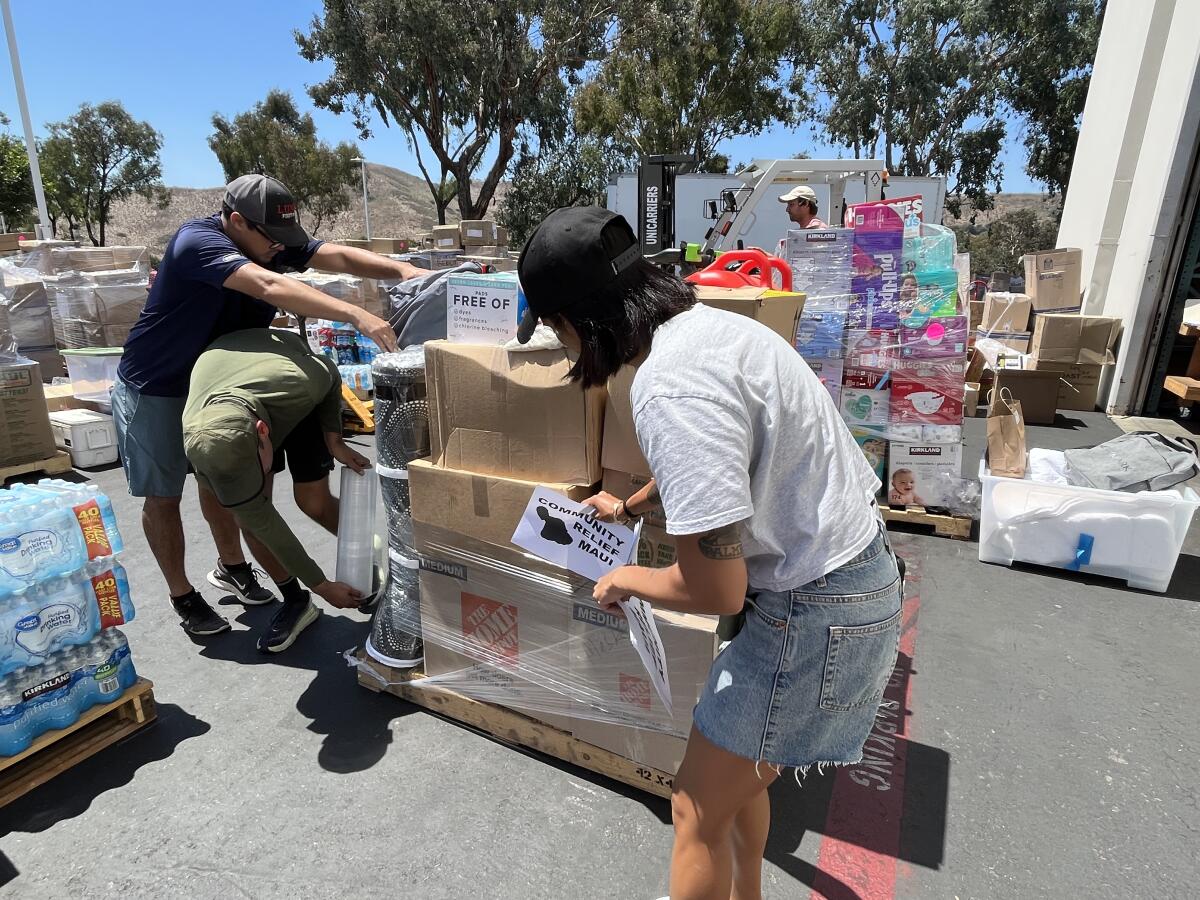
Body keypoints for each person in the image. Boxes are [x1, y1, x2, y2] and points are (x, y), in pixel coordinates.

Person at [515, 206, 901, 900]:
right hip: (841, 578)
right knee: (737, 773)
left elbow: (715, 590)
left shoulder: (670, 388)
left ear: (576, 324)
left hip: (811, 608)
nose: (561, 346)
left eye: (553, 329)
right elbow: (722, 457)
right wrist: (630, 505)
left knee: (694, 804)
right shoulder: (713, 330)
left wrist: (629, 577)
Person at [112, 174, 426, 637]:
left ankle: (233, 566)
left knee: (222, 482)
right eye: (274, 240)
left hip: (223, 382)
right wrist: (356, 314)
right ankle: (183, 595)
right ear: (237, 222)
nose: (283, 250)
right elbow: (267, 286)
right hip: (159, 384)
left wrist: (404, 271)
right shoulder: (196, 243)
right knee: (163, 497)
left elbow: (332, 254)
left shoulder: (268, 242)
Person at [182, 328, 368, 652]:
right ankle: (296, 599)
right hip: (225, 390)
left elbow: (329, 370)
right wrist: (321, 586)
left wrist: (333, 439)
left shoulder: (300, 384)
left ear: (264, 432)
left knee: (313, 502)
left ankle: (380, 558)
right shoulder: (197, 438)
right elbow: (260, 518)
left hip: (285, 374)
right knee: (250, 518)